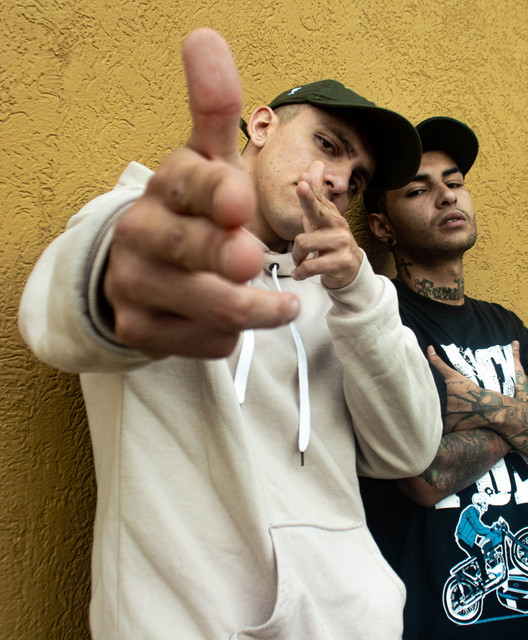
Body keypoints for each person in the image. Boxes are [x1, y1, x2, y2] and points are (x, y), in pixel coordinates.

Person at [18, 29, 443, 639]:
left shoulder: (350, 295)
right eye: (327, 145)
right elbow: (54, 320)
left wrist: (358, 295)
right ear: (261, 126)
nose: (337, 181)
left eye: (356, 179)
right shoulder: (147, 222)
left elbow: (408, 450)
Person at [359, 116, 528, 639]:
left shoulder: (504, 324)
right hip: (438, 616)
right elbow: (425, 476)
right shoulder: (378, 317)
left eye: (455, 182)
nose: (446, 196)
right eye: (418, 190)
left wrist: (485, 407)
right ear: (382, 227)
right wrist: (523, 417)